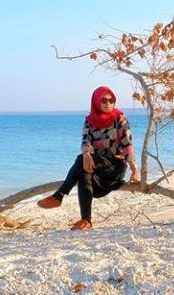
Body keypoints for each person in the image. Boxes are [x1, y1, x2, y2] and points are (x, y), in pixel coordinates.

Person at [37, 86, 140, 230]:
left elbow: (127, 144)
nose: (108, 103)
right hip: (96, 166)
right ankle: (86, 221)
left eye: (112, 100)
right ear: (96, 101)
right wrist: (86, 154)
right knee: (84, 169)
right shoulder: (89, 120)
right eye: (103, 100)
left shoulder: (119, 118)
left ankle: (59, 196)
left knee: (81, 160)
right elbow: (85, 140)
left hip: (115, 165)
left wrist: (134, 169)